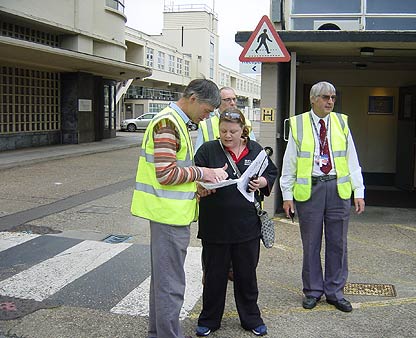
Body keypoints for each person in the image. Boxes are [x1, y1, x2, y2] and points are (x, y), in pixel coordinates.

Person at [130, 79, 229, 338]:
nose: (207, 118)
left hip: (169, 214)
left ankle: (158, 333)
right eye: (207, 111)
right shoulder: (168, 124)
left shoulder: (175, 121)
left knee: (164, 283)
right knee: (171, 285)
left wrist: (196, 187)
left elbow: (172, 173)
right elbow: (166, 173)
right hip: (168, 217)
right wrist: (204, 172)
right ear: (193, 98)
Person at [280, 81, 365, 313]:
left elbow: (352, 160)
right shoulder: (298, 124)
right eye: (326, 97)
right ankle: (313, 291)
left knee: (338, 244)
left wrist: (359, 191)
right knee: (311, 244)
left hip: (338, 190)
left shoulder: (341, 122)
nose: (330, 101)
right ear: (313, 99)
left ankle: (335, 292)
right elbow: (289, 164)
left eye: (333, 97)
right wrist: (287, 195)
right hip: (311, 191)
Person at [194, 108, 278, 337]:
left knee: (246, 275)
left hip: (247, 226)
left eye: (233, 131)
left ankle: (251, 318)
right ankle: (209, 319)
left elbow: (271, 173)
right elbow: (195, 177)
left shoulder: (256, 150)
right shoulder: (208, 150)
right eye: (223, 131)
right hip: (215, 226)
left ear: (244, 131)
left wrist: (261, 182)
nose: (227, 135)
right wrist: (201, 186)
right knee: (214, 276)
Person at [194, 87, 256, 153]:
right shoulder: (206, 125)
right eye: (227, 100)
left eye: (234, 99)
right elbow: (198, 153)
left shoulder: (246, 123)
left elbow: (253, 149)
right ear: (218, 102)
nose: (232, 103)